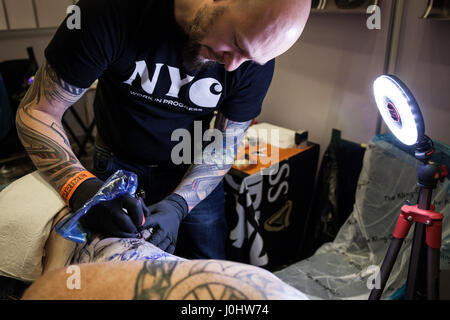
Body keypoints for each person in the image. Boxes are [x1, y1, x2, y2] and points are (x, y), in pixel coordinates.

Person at [15, 0, 311, 260]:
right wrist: (80, 187)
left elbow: (225, 141)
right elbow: (37, 111)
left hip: (191, 171)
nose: (233, 66)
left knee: (206, 266)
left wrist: (180, 204)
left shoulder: (251, 60)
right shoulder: (109, 9)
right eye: (235, 41)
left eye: (250, 58)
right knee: (112, 269)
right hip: (116, 162)